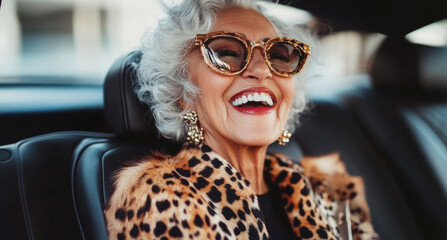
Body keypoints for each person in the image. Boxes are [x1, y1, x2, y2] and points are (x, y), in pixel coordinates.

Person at [105, 0, 379, 239]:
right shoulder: (161, 202)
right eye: (226, 53)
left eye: (278, 56)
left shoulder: (328, 187)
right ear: (183, 91)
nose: (261, 70)